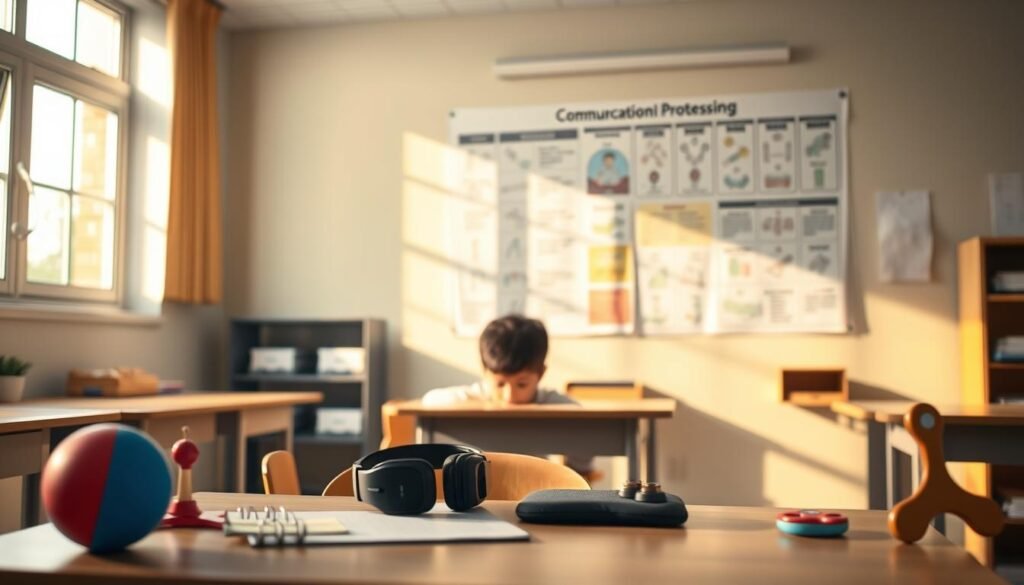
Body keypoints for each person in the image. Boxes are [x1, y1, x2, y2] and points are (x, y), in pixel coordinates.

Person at [422, 315, 592, 474]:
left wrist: (573, 472)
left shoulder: (554, 405)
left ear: (540, 373)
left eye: (521, 384)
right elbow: (429, 401)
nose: (509, 396)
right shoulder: (468, 398)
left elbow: (583, 439)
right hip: (478, 488)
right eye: (500, 384)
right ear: (485, 372)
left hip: (532, 489)